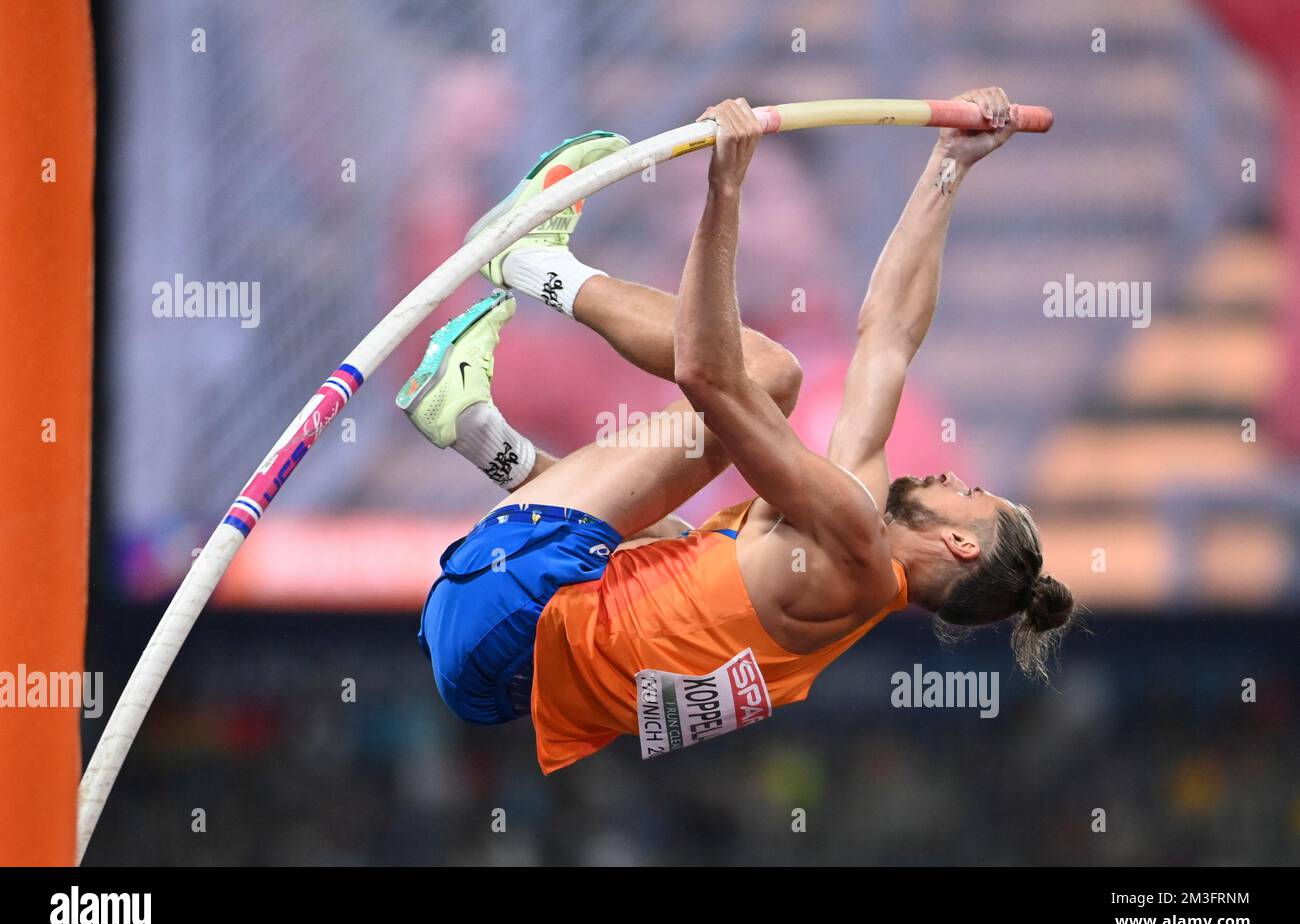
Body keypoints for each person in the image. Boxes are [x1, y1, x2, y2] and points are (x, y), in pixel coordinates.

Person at [397, 89, 1075, 773]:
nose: (952, 479)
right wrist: (949, 164)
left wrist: (726, 190)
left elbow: (707, 373)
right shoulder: (848, 561)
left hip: (513, 607)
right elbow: (891, 336)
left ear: (958, 543)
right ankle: (473, 428)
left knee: (768, 375)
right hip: (494, 674)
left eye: (972, 492)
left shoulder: (849, 538)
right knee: (684, 538)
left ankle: (529, 263)